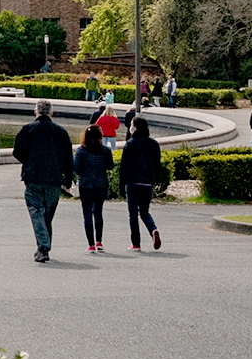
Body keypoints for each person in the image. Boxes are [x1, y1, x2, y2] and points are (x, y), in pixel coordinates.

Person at [11, 99, 74, 263]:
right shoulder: (61, 132)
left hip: (33, 177)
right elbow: (68, 158)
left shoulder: (28, 129)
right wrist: (68, 180)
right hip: (54, 178)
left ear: (36, 112)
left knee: (36, 211)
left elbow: (17, 152)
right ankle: (43, 247)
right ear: (51, 113)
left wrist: (29, 160)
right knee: (47, 215)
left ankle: (43, 247)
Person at [121, 117, 163, 251]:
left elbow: (124, 167)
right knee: (144, 211)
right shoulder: (153, 144)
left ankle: (136, 244)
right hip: (148, 182)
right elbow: (157, 165)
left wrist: (122, 184)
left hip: (133, 182)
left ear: (135, 128)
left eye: (132, 125)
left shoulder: (130, 144)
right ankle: (153, 229)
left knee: (133, 214)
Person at [73, 126, 114, 254]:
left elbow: (77, 168)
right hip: (101, 184)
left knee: (87, 214)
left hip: (85, 184)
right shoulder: (105, 151)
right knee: (98, 212)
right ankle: (99, 241)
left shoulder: (81, 151)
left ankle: (90, 244)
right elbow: (110, 166)